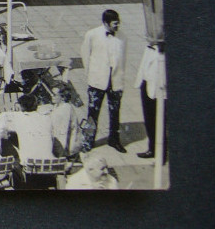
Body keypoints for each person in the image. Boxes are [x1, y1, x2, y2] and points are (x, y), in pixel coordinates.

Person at [81, 9, 126, 153]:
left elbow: (123, 57)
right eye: (114, 24)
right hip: (97, 80)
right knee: (93, 112)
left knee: (115, 112)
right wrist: (90, 74)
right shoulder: (92, 35)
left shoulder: (123, 37)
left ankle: (114, 140)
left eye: (118, 23)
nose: (117, 26)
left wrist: (120, 76)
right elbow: (85, 54)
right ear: (106, 23)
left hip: (115, 80)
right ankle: (88, 141)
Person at [135, 33, 166, 160]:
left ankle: (162, 154)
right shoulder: (149, 48)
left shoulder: (163, 53)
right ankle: (152, 149)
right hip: (146, 86)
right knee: (149, 121)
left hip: (159, 91)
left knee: (160, 122)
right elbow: (144, 66)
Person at [7, 93, 55, 162]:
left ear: (22, 106)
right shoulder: (47, 118)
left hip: (29, 162)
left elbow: (6, 129)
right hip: (48, 160)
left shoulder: (19, 118)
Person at [50, 81, 84, 159]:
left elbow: (64, 133)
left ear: (63, 97)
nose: (52, 95)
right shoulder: (58, 105)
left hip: (67, 148)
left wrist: (59, 154)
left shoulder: (66, 109)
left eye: (54, 95)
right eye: (52, 93)